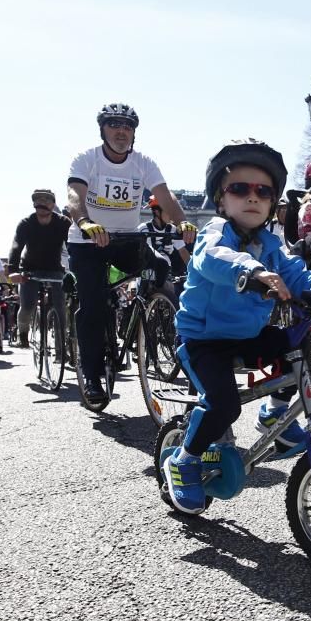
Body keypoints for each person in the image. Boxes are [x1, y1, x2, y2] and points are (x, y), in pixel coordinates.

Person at [162, 139, 311, 515]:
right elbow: (213, 258)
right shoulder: (215, 232)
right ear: (221, 200)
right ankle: (185, 459)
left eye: (263, 191)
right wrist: (252, 271)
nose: (252, 197)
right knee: (223, 404)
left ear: (273, 202)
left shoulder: (271, 244)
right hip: (204, 339)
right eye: (239, 188)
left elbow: (297, 274)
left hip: (247, 335)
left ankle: (274, 412)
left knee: (295, 342)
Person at [65, 102, 196, 404]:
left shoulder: (143, 162)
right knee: (94, 305)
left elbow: (164, 195)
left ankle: (143, 317)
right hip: (88, 241)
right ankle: (93, 374)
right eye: (114, 125)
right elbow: (74, 195)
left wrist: (182, 221)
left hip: (125, 239)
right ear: (103, 130)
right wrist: (85, 222)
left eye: (127, 126)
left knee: (161, 267)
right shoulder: (87, 159)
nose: (121, 131)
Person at [7, 189, 72, 347]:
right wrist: (12, 271)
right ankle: (22, 333)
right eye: (38, 200)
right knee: (27, 305)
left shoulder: (63, 223)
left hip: (55, 270)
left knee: (60, 307)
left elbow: (72, 247)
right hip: (30, 269)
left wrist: (78, 267)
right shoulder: (26, 223)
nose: (42, 203)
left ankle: (61, 347)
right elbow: (16, 247)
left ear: (53, 204)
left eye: (46, 200)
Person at [136, 194, 190, 279]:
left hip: (166, 273)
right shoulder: (143, 228)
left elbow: (183, 252)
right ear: (157, 212)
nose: (172, 215)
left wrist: (193, 270)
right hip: (146, 272)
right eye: (168, 211)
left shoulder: (172, 229)